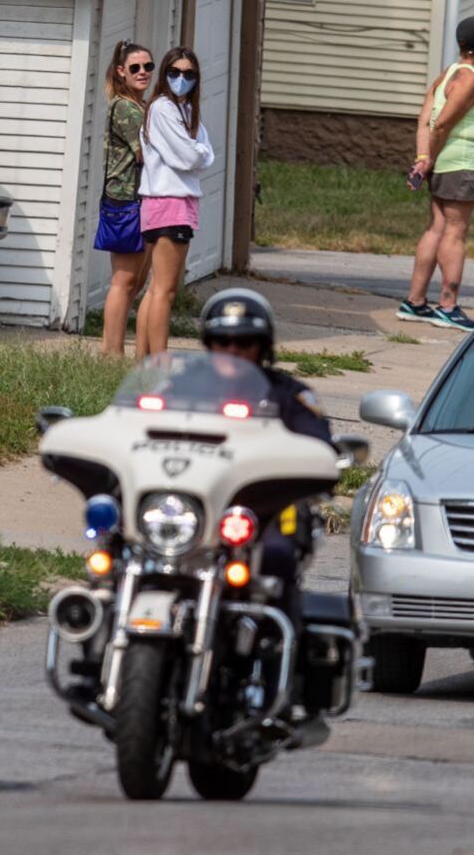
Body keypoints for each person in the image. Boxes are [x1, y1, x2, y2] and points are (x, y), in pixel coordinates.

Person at [196, 289, 330, 666]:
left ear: (263, 347)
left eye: (245, 343)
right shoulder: (181, 389)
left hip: (267, 510)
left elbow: (321, 446)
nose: (233, 351)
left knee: (276, 558)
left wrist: (323, 463)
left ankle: (279, 660)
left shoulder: (290, 396)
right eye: (223, 341)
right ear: (209, 344)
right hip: (196, 505)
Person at [399, 16, 474, 333]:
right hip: (460, 165)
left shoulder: (448, 73)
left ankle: (414, 302)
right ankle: (448, 306)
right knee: (455, 233)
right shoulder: (469, 81)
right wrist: (430, 160)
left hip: (441, 163)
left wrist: (423, 157)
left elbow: (424, 118)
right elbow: (441, 124)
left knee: (437, 228)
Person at [135, 47, 215, 357]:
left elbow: (205, 152)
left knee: (156, 288)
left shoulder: (187, 112)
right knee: (165, 291)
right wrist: (198, 153)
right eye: (175, 72)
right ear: (165, 74)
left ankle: (143, 360)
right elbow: (188, 157)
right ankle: (158, 361)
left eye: (189, 74)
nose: (181, 79)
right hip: (169, 203)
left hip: (175, 203)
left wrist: (198, 153)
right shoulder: (163, 109)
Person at [96, 40, 155, 356]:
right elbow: (146, 155)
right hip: (125, 202)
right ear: (121, 71)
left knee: (134, 281)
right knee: (124, 280)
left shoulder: (139, 105)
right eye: (135, 67)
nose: (143, 72)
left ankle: (110, 348)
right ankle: (112, 354)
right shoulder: (126, 108)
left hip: (135, 201)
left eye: (148, 66)